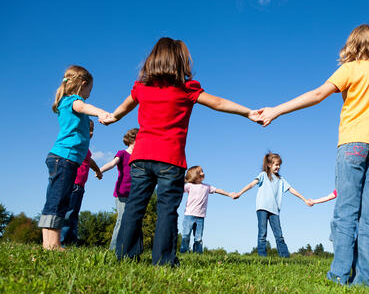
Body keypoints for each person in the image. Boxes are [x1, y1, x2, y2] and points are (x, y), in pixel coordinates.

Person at [259, 24, 369, 286]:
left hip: (352, 146)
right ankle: (365, 279)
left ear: (352, 45)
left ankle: (338, 275)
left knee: (346, 211)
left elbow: (317, 94)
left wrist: (276, 110)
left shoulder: (350, 69)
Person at [102, 37, 260, 266]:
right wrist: (248, 112)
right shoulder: (186, 89)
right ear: (180, 62)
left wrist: (112, 117)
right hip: (170, 160)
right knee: (167, 210)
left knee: (134, 206)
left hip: (141, 158)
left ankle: (125, 257)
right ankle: (164, 261)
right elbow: (217, 102)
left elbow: (122, 109)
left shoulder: (142, 88)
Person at [38, 65, 109, 250]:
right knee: (59, 200)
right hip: (65, 158)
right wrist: (100, 112)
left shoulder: (64, 102)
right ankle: (53, 244)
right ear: (83, 84)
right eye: (89, 90)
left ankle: (47, 243)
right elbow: (83, 106)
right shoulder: (74, 100)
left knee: (54, 199)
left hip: (60, 157)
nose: (89, 94)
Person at [233, 152, 312, 258]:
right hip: (262, 208)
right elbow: (252, 184)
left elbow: (292, 190)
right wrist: (240, 193)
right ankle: (262, 257)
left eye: (279, 165)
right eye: (276, 164)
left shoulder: (281, 180)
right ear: (269, 165)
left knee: (279, 235)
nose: (278, 167)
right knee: (262, 234)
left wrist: (304, 199)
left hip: (274, 210)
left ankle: (285, 257)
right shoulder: (263, 175)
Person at [61, 120, 103, 246]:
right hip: (72, 183)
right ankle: (61, 242)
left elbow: (89, 161)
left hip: (80, 186)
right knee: (68, 213)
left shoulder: (85, 148)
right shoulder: (75, 142)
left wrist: (98, 170)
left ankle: (72, 243)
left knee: (73, 214)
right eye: (88, 129)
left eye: (92, 130)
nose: (91, 133)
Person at [180, 166, 235, 254]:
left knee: (198, 238)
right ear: (195, 175)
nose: (203, 173)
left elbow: (217, 190)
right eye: (200, 172)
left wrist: (229, 194)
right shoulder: (189, 186)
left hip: (201, 217)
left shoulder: (207, 187)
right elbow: (178, 190)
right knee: (186, 235)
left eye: (202, 171)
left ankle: (197, 255)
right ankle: (183, 253)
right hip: (189, 215)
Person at [99, 128, 138, 250]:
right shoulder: (122, 153)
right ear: (132, 140)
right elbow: (112, 163)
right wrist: (99, 170)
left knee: (134, 221)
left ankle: (128, 248)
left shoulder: (139, 156)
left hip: (135, 193)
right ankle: (113, 248)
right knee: (122, 220)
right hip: (122, 192)